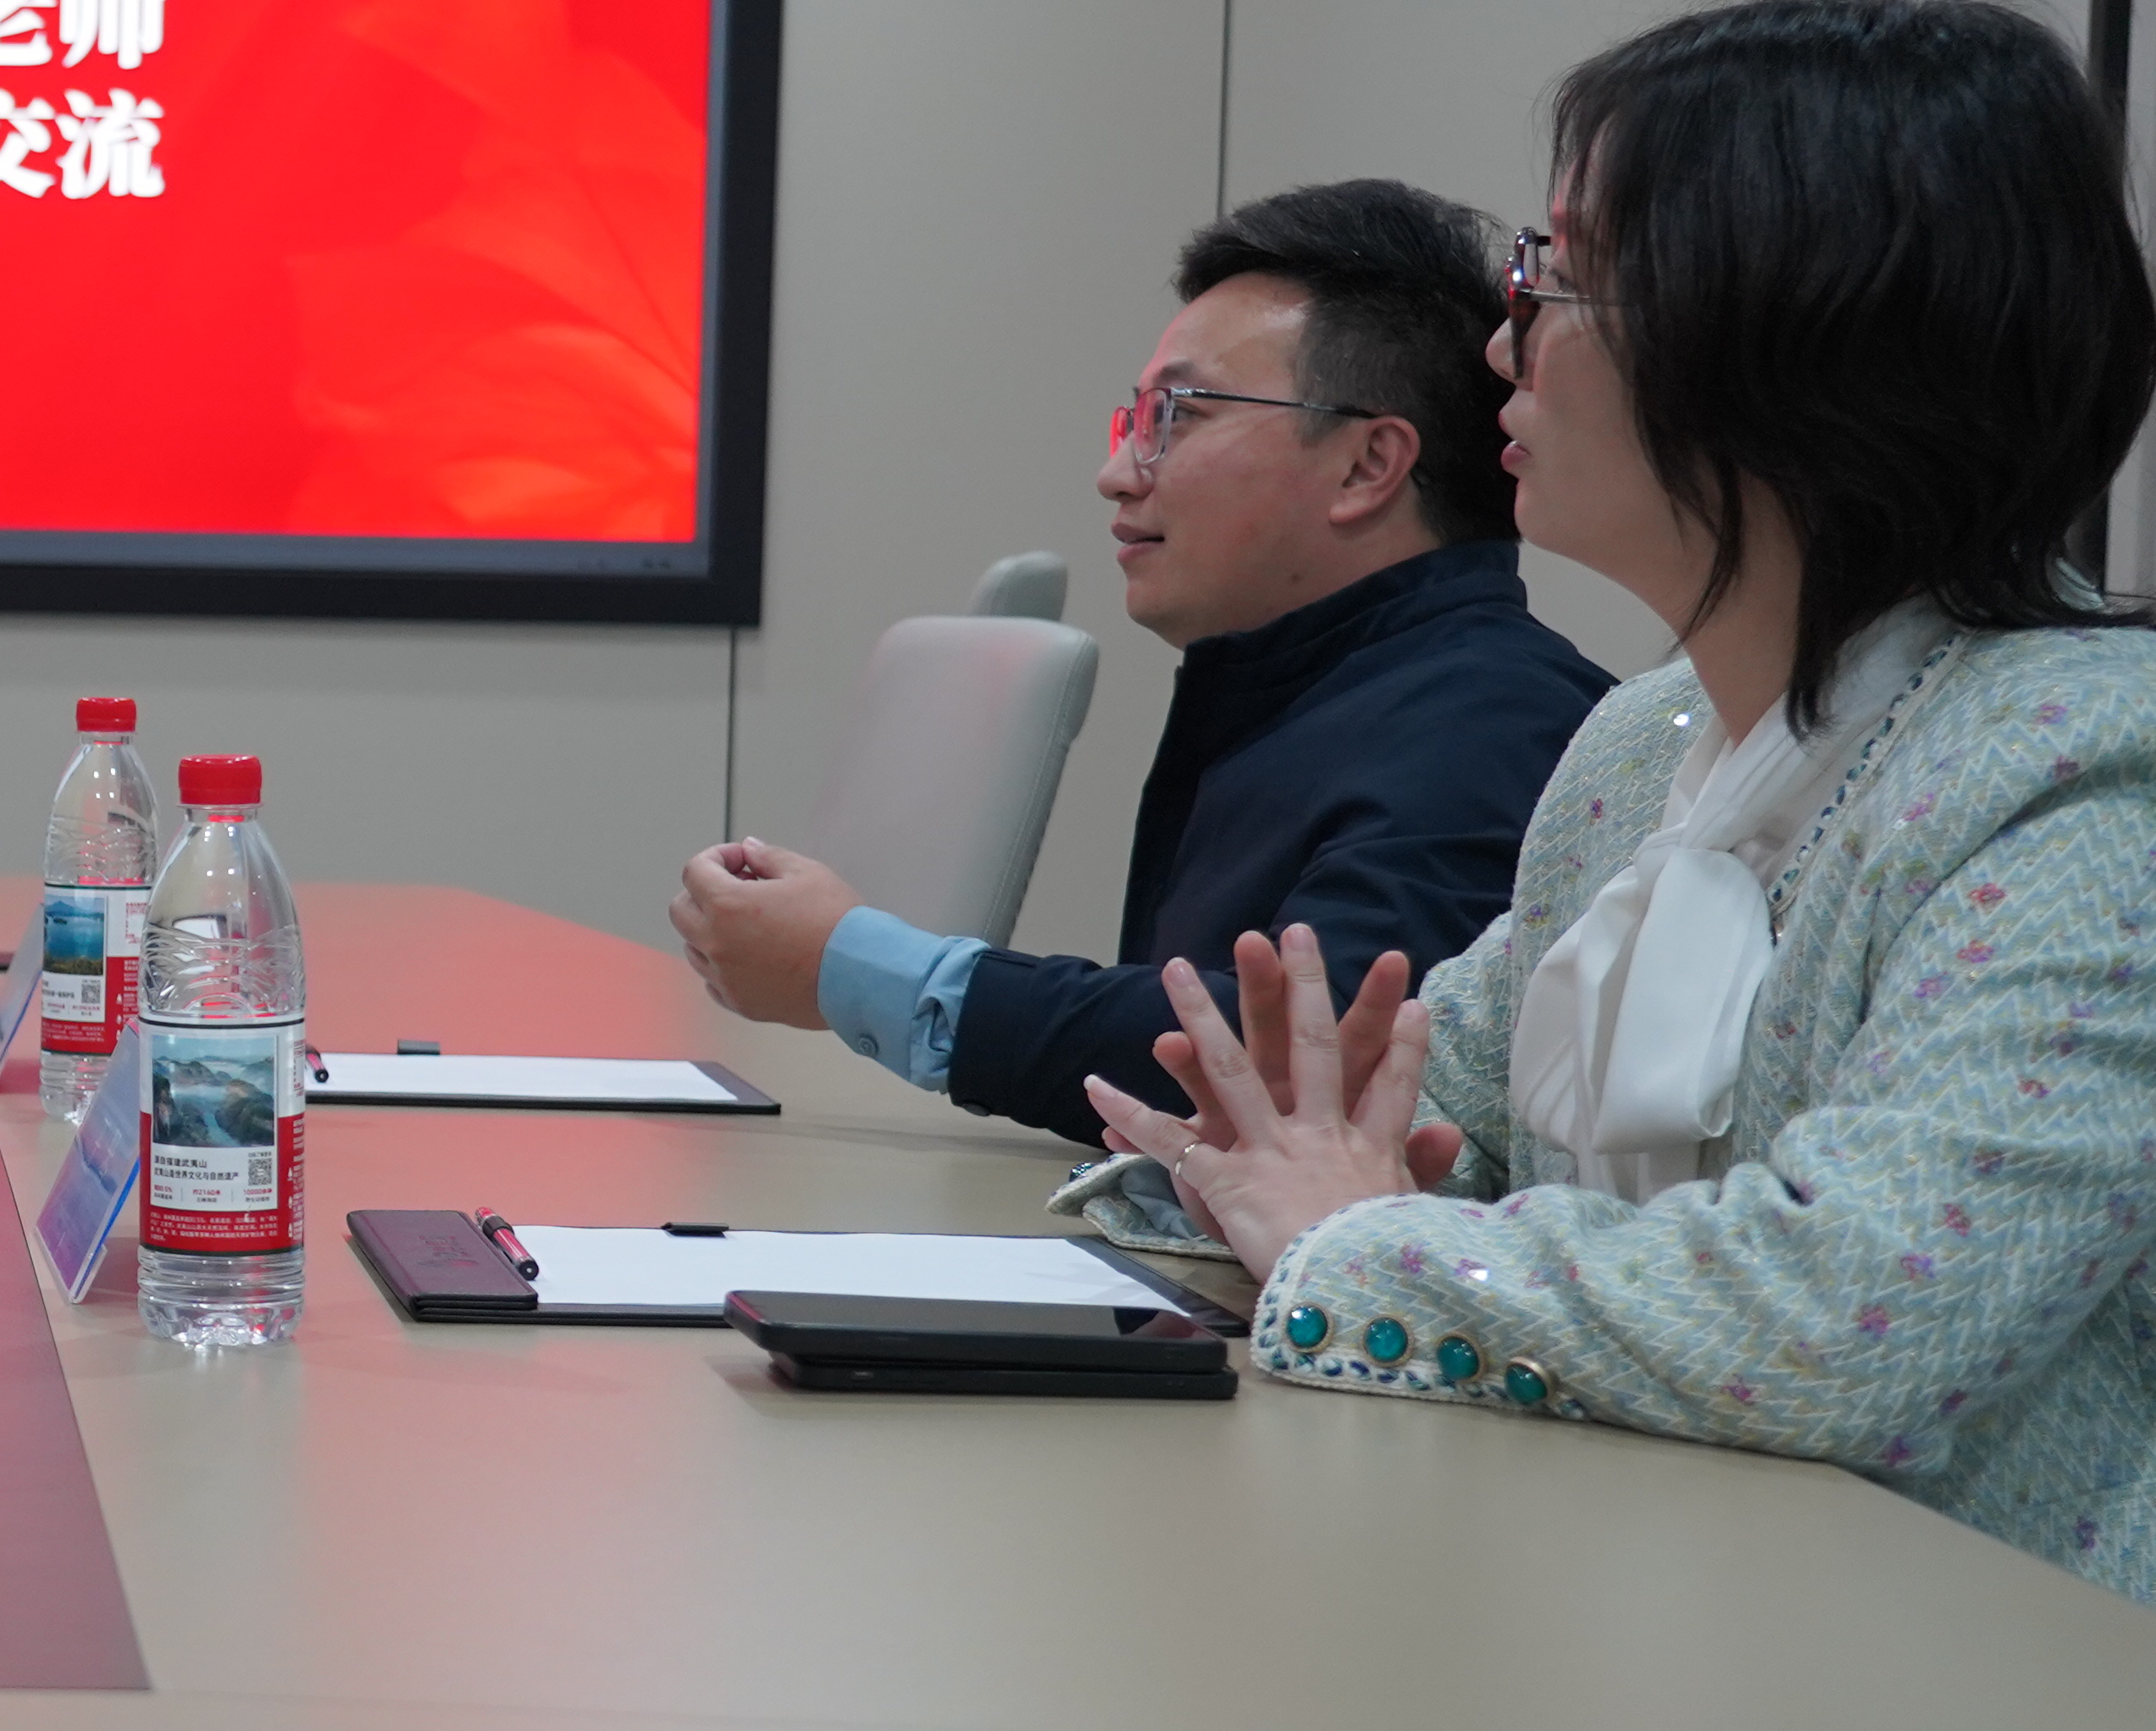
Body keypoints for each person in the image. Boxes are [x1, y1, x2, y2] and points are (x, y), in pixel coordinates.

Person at [1087, 0, 2156, 1601]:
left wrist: (1353, 1238)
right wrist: (1245, 1173)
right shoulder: (1642, 743)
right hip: (1634, 1608)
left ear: (1786, 334)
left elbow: (1850, 1318)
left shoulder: (2092, 774)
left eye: (1556, 279)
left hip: (1970, 1674)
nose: (1501, 344)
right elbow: (1440, 1132)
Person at [671, 180, 1611, 1145]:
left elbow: (1294, 1068)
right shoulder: (1303, 686)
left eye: (1177, 417)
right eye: (1134, 423)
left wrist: (855, 966)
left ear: (1367, 465)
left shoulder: (1496, 722)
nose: (1118, 473)